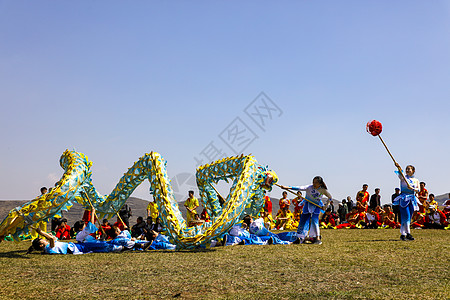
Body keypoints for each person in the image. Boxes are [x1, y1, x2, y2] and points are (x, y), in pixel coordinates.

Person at [280, 176, 332, 244]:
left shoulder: (322, 190)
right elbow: (299, 188)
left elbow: (330, 197)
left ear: (320, 184)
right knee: (303, 219)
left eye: (315, 182)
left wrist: (325, 206)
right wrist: (287, 187)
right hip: (307, 204)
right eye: (313, 181)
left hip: (317, 205)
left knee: (314, 220)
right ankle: (300, 236)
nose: (313, 183)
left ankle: (317, 237)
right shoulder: (309, 187)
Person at [28, 227, 123, 255]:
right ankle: (121, 245)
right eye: (42, 240)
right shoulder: (49, 248)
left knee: (99, 245)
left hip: (76, 246)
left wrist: (45, 234)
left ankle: (119, 244)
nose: (44, 239)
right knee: (100, 245)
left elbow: (52, 237)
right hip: (76, 248)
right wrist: (41, 232)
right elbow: (52, 239)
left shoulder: (50, 245)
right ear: (41, 245)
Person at [392, 164, 420, 241]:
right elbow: (400, 174)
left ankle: (403, 234)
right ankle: (408, 233)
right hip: (404, 198)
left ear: (413, 171)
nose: (407, 170)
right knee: (406, 216)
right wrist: (399, 168)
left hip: (412, 199)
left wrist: (412, 188)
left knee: (408, 217)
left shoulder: (416, 180)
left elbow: (418, 190)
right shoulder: (403, 178)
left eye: (409, 169)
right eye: (406, 169)